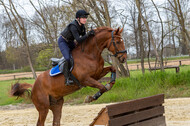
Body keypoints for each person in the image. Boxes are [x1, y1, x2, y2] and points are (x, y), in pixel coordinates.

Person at [58, 9, 95, 85]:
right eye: (83, 17)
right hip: (63, 41)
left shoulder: (82, 26)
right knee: (68, 58)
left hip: (70, 42)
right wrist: (88, 34)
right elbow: (78, 39)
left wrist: (91, 35)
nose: (85, 19)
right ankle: (67, 78)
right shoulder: (73, 26)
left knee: (80, 53)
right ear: (78, 18)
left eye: (86, 18)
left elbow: (84, 38)